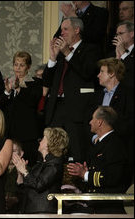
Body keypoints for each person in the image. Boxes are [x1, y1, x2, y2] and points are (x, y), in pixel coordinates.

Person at [43, 17, 101, 163]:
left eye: (65, 29)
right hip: (57, 109)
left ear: (77, 30)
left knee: (77, 154)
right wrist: (53, 57)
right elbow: (47, 81)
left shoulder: (91, 49)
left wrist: (68, 53)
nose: (61, 33)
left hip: (77, 111)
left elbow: (87, 72)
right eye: (61, 29)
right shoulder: (61, 54)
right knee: (52, 153)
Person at [67, 106, 130, 214]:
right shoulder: (100, 144)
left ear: (100, 122)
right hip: (97, 204)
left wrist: (86, 174)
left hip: (110, 207)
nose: (90, 122)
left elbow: (113, 177)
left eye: (92, 119)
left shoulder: (114, 144)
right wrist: (86, 173)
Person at [93, 57, 134, 190]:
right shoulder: (97, 96)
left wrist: (109, 136)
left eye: (102, 71)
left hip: (120, 148)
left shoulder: (128, 94)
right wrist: (95, 137)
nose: (98, 75)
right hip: (98, 148)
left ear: (111, 74)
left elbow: (128, 121)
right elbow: (89, 120)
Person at [0, 51, 43, 167]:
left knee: (28, 165)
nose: (18, 68)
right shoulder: (7, 82)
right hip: (9, 133)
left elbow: (32, 102)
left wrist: (18, 89)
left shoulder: (36, 83)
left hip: (27, 133)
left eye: (21, 65)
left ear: (28, 66)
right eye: (16, 64)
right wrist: (7, 91)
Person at [13, 127, 69, 214]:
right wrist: (20, 173)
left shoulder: (55, 164)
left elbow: (39, 185)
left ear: (49, 144)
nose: (39, 141)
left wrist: (25, 171)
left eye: (43, 138)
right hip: (30, 211)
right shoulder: (39, 165)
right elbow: (25, 189)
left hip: (44, 212)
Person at [109, 21, 134, 91]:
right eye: (117, 34)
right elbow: (110, 75)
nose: (118, 37)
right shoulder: (112, 54)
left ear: (132, 34)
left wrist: (123, 54)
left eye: (121, 33)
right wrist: (117, 58)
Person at [5, 140, 25, 213]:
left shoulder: (27, 170)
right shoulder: (0, 170)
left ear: (21, 153)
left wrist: (15, 199)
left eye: (13, 151)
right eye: (8, 150)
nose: (10, 153)